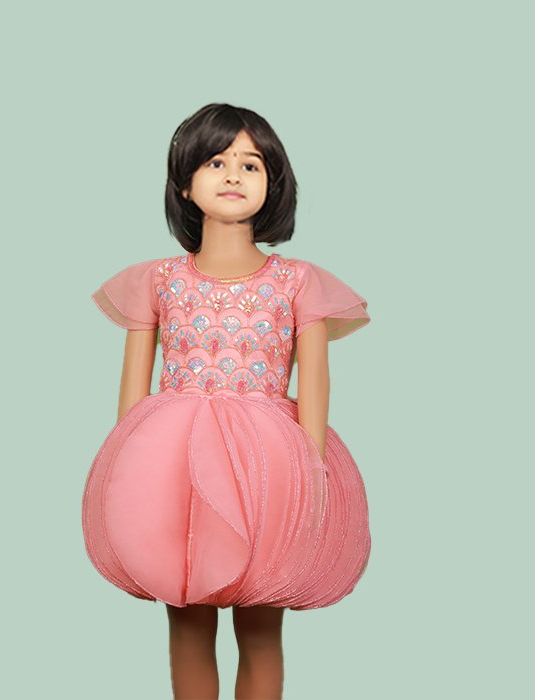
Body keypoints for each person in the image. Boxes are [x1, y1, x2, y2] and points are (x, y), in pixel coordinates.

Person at [82, 103, 372, 700]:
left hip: (269, 466)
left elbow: (316, 382)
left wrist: (312, 466)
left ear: (274, 185)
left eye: (251, 164)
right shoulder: (158, 279)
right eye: (216, 162)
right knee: (187, 621)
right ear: (185, 185)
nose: (234, 174)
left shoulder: (298, 281)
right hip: (173, 467)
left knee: (262, 625)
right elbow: (133, 388)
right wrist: (121, 472)